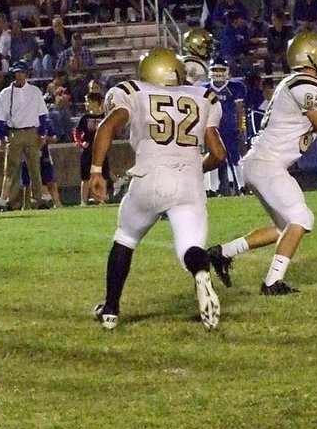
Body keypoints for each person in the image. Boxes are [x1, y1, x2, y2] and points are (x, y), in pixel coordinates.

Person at [207, 32, 317, 295]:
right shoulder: (305, 87)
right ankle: (272, 283)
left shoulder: (300, 84)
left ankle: (222, 253)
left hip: (261, 163)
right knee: (302, 219)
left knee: (284, 228)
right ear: (311, 56)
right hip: (267, 164)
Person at [89, 48, 227, 330]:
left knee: (126, 237)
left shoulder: (133, 91)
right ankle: (201, 273)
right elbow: (219, 153)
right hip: (188, 180)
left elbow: (106, 127)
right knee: (190, 247)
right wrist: (194, 169)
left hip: (149, 175)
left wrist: (96, 171)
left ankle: (111, 310)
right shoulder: (202, 97)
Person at [0, 61, 50, 211]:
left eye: (22, 73)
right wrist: (2, 136)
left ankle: (38, 199)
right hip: (14, 132)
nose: (19, 76)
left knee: (34, 168)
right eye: (17, 73)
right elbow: (0, 117)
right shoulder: (5, 93)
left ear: (26, 74)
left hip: (31, 131)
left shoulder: (35, 91)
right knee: (12, 169)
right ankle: (12, 201)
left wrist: (42, 133)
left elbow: (42, 113)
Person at [203, 58, 246, 196]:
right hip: (211, 128)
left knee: (235, 157)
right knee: (212, 157)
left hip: (229, 128)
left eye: (221, 69)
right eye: (215, 69)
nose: (218, 73)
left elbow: (240, 110)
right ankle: (212, 189)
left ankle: (241, 186)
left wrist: (242, 127)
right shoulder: (203, 88)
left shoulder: (235, 87)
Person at [75, 92, 111, 206]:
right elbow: (77, 131)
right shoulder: (85, 118)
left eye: (88, 101)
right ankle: (83, 201)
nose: (86, 104)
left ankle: (101, 198)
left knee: (103, 175)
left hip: (101, 149)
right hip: (88, 149)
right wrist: (80, 142)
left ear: (95, 102)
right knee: (85, 176)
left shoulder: (104, 117)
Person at [265, 10, 291, 75]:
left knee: (286, 59)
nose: (272, 21)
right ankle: (269, 82)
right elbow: (269, 46)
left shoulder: (288, 30)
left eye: (274, 19)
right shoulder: (270, 31)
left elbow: (287, 46)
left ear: (279, 20)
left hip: (284, 54)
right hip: (273, 53)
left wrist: (281, 55)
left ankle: (287, 78)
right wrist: (274, 55)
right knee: (267, 58)